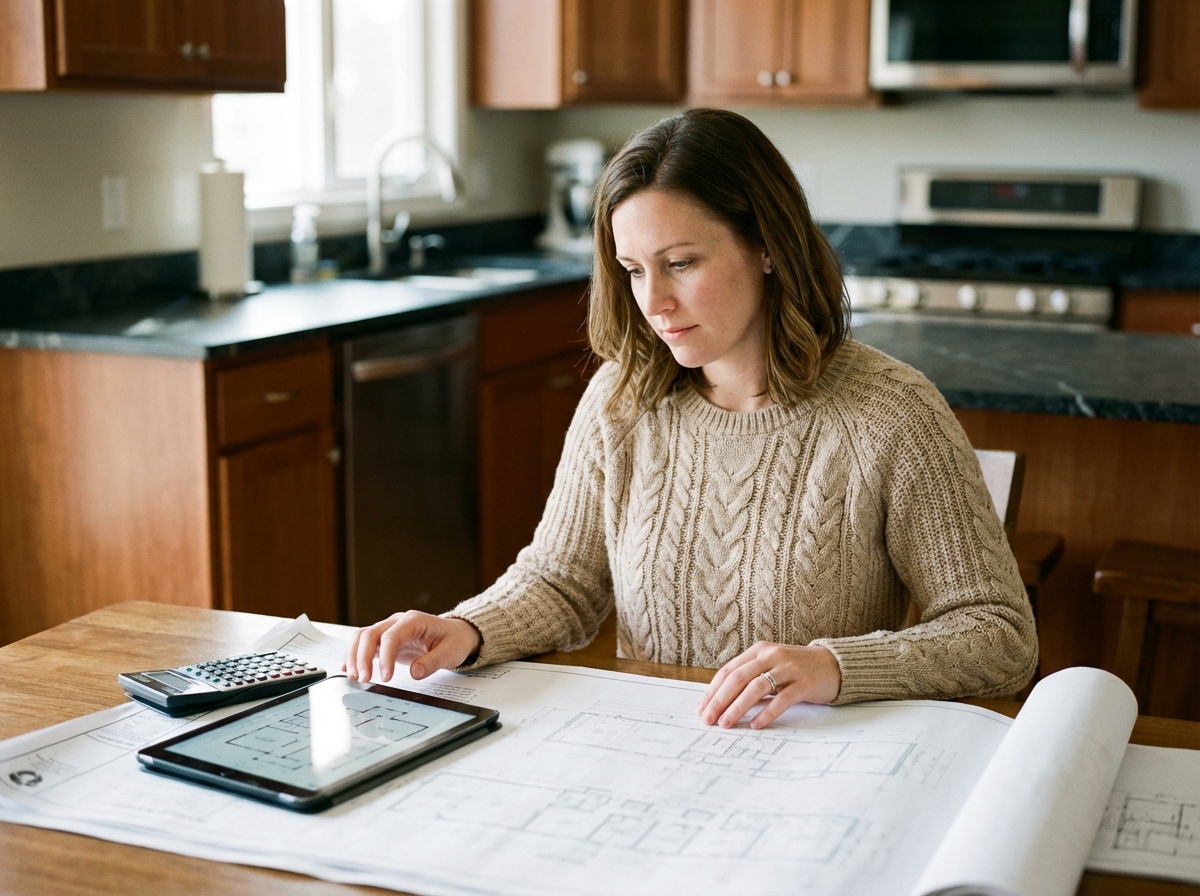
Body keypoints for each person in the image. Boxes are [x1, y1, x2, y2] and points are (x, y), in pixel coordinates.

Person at [345, 108, 1038, 730]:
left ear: (768, 247)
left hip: (815, 763)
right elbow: (562, 581)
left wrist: (835, 667)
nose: (655, 302)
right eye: (633, 271)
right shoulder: (622, 399)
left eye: (680, 263)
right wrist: (464, 627)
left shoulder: (891, 414)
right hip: (655, 749)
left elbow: (999, 635)